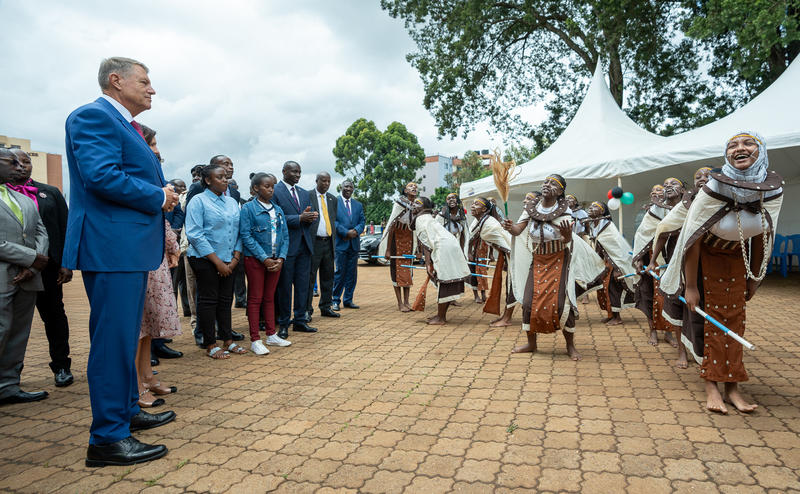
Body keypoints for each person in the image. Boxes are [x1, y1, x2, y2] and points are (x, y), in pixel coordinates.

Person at [63, 57, 177, 466]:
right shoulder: (93, 117)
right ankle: (107, 439)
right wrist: (158, 196)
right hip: (112, 247)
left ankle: (126, 411)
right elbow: (102, 176)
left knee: (125, 338)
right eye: (144, 81)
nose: (152, 89)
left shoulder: (124, 125)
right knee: (112, 343)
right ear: (116, 80)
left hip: (126, 248)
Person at [660, 132, 783, 414]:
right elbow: (692, 241)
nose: (739, 148)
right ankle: (711, 386)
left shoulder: (772, 191)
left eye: (748, 143)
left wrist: (755, 277)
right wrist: (690, 286)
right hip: (705, 264)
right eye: (732, 145)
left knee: (735, 323)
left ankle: (733, 387)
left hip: (738, 263)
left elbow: (762, 236)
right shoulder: (711, 190)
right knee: (710, 324)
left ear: (761, 151)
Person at [503, 174, 604, 360]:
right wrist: (510, 227)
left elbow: (567, 239)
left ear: (560, 191)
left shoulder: (565, 211)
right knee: (527, 303)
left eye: (552, 183)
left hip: (559, 260)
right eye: (545, 182)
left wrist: (567, 235)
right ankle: (531, 343)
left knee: (562, 303)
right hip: (538, 260)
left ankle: (570, 346)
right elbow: (519, 230)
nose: (547, 185)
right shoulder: (531, 207)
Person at [8, 149, 74, 387]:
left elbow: (66, 229)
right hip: (11, 269)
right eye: (14, 162)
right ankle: (11, 375)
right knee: (11, 323)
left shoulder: (51, 193)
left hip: (49, 269)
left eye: (26, 161)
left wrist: (67, 263)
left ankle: (61, 366)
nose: (21, 166)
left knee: (55, 317)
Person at [0, 148, 50, 405]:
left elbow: (41, 233)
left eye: (21, 162)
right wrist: (31, 258)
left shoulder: (24, 199)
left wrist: (36, 264)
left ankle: (8, 385)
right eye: (12, 162)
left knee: (19, 332)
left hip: (28, 277)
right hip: (3, 276)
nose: (20, 167)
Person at [649, 167, 712, 368]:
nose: (703, 178)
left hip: (708, 265)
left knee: (704, 309)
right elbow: (664, 231)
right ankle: (682, 352)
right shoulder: (686, 204)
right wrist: (652, 261)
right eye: (698, 176)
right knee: (677, 305)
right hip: (677, 261)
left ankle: (706, 351)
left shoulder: (721, 201)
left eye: (708, 176)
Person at [185, 163, 246, 359]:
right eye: (219, 177)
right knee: (208, 300)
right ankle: (211, 343)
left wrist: (235, 258)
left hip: (230, 259)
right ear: (208, 180)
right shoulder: (198, 201)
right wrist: (217, 262)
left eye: (225, 177)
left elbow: (239, 231)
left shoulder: (231, 202)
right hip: (205, 259)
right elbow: (195, 234)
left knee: (226, 300)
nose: (224, 180)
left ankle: (228, 340)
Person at [140, 126, 183, 362]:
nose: (157, 150)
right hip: (141, 249)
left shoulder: (154, 174)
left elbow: (162, 217)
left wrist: (171, 245)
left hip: (158, 247)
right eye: (152, 144)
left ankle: (157, 345)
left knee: (156, 306)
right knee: (143, 309)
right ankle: (144, 360)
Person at [240, 173, 291, 354]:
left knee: (270, 297)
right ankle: (255, 339)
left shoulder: (277, 209)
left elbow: (284, 236)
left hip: (276, 260)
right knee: (255, 299)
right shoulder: (248, 209)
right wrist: (264, 258)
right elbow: (246, 236)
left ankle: (271, 334)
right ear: (255, 189)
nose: (271, 189)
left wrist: (281, 258)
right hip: (255, 260)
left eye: (272, 187)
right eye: (266, 186)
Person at [633, 177, 685, 347]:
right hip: (655, 260)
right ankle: (653, 331)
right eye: (665, 184)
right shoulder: (655, 210)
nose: (668, 186)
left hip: (679, 259)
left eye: (673, 184)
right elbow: (642, 233)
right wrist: (640, 258)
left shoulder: (687, 207)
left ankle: (670, 332)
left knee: (674, 297)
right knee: (654, 296)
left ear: (683, 190)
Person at [272, 161, 318, 339]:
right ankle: (283, 323)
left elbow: (309, 215)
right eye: (294, 172)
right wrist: (299, 218)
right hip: (286, 247)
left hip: (304, 246)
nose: (298, 175)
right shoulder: (275, 191)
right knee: (285, 288)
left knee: (302, 287)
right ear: (284, 171)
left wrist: (311, 216)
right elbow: (276, 217)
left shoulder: (304, 193)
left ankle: (300, 320)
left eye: (299, 172)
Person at [410, 197, 471, 325]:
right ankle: (440, 315)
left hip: (444, 248)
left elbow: (426, 243)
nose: (414, 205)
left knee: (445, 281)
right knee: (446, 281)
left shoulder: (421, 219)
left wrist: (428, 264)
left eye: (417, 203)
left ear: (424, 207)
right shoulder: (427, 218)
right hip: (449, 246)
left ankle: (441, 317)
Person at [586, 201, 636, 326]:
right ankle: (610, 315)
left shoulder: (607, 226)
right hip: (604, 264)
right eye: (590, 206)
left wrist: (618, 268)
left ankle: (617, 317)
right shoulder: (595, 225)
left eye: (595, 207)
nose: (591, 208)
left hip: (613, 264)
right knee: (604, 290)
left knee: (612, 289)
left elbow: (617, 249)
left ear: (602, 212)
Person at [469, 197, 516, 327]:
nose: (472, 206)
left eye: (476, 204)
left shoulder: (489, 224)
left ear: (484, 209)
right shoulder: (484, 222)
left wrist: (512, 263)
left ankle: (507, 318)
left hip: (515, 257)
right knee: (511, 286)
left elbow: (507, 246)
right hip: (511, 256)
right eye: (472, 203)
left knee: (512, 286)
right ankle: (506, 317)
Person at [378, 183, 418, 312]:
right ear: (405, 190)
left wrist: (418, 249)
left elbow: (417, 229)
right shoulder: (399, 204)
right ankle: (400, 303)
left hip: (409, 240)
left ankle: (407, 301)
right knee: (396, 272)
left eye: (416, 187)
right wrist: (388, 249)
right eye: (411, 186)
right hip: (396, 241)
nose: (414, 188)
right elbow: (391, 227)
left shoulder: (417, 206)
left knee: (408, 271)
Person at [307, 172, 339, 319]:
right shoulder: (308, 196)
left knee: (328, 277)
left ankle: (326, 307)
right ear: (317, 181)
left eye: (328, 181)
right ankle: (307, 310)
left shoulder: (332, 199)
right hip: (314, 243)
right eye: (323, 181)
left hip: (329, 243)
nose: (326, 184)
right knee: (309, 278)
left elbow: (333, 220)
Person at [332, 180, 365, 311]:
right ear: (341, 187)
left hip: (354, 244)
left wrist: (356, 231)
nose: (348, 189)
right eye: (346, 186)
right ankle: (335, 300)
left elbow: (362, 221)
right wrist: (345, 232)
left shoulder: (358, 205)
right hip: (341, 243)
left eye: (351, 187)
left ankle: (348, 300)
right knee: (340, 272)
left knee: (352, 274)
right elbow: (333, 220)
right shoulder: (334, 202)